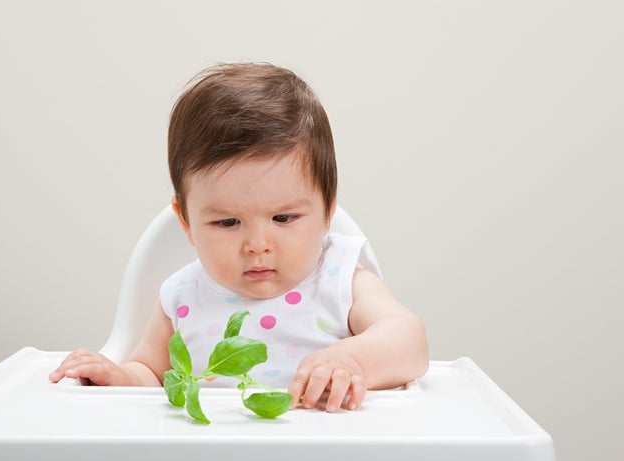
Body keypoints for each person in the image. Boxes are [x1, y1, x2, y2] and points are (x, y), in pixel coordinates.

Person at [49, 62, 429, 413]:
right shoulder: (181, 297)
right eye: (228, 222)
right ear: (186, 222)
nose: (257, 244)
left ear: (327, 210)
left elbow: (408, 339)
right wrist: (118, 378)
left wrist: (353, 360)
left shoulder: (342, 278)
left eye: (284, 217)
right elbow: (150, 373)